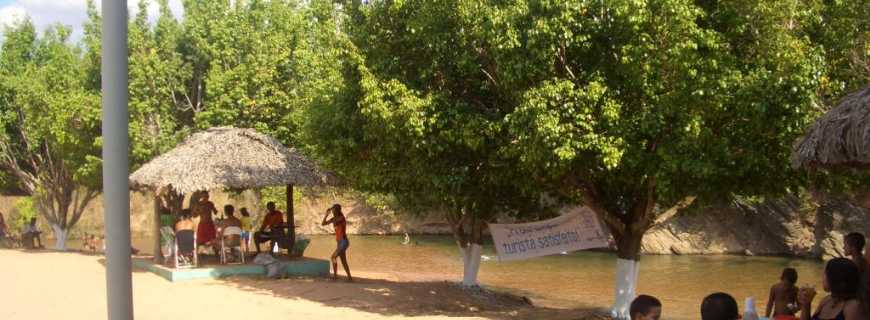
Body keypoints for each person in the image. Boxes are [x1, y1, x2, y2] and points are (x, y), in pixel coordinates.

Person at [798, 258, 864, 320]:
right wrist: (806, 304)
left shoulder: (853, 307)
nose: (822, 277)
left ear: (836, 278)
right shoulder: (826, 300)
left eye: (825, 274)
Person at [322, 204, 352, 281]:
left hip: (344, 242)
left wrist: (330, 214)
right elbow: (323, 224)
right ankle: (349, 278)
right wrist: (326, 215)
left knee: (333, 257)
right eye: (333, 210)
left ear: (338, 210)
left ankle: (335, 276)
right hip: (339, 242)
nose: (333, 211)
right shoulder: (334, 218)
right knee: (343, 261)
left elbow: (336, 221)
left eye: (334, 210)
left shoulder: (341, 218)